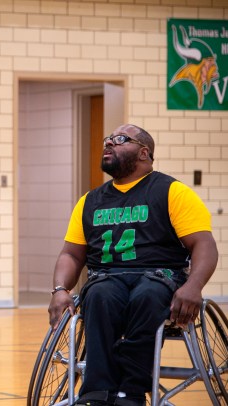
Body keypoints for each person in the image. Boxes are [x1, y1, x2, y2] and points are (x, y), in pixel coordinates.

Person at [47, 124, 218, 406]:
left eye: (120, 139)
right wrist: (59, 289)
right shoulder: (89, 201)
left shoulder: (172, 191)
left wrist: (194, 286)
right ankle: (97, 391)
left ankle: (131, 390)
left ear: (143, 153)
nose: (109, 144)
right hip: (107, 277)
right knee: (100, 295)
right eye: (107, 140)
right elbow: (71, 255)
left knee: (146, 296)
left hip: (160, 276)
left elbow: (204, 245)